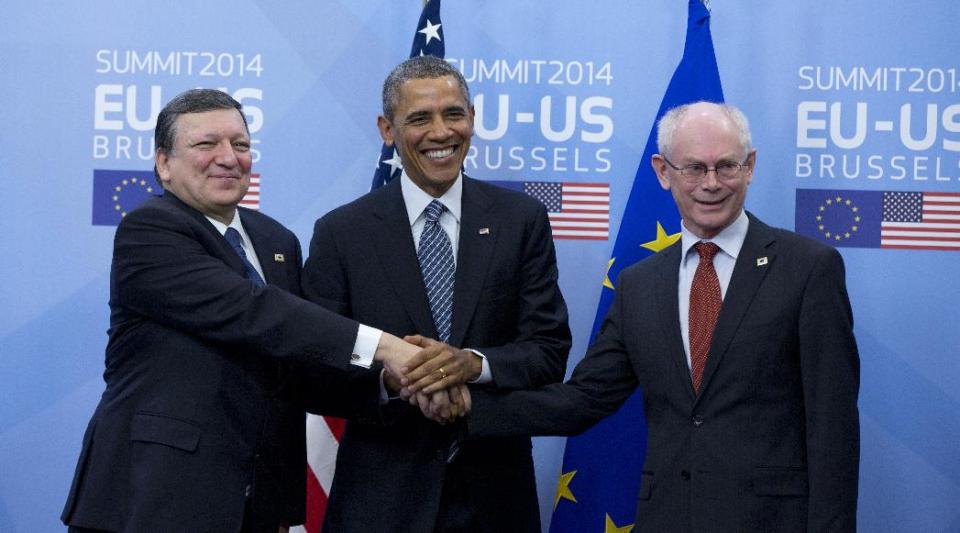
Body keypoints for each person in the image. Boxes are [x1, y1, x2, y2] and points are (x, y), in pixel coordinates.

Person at [446, 101, 861, 532]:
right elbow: (583, 399)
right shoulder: (639, 285)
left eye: (727, 166)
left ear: (751, 166)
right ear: (663, 172)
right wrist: (468, 406)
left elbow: (833, 427)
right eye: (694, 169)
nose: (712, 184)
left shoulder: (808, 269)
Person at [60, 89, 448, 533]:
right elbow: (254, 311)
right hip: (153, 501)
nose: (228, 158)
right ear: (163, 164)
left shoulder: (276, 242)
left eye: (240, 145)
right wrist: (386, 348)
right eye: (206, 144)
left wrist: (391, 382)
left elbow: (299, 361)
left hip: (256, 506)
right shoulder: (149, 230)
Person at [302, 55, 571, 532]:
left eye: (453, 114)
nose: (441, 132)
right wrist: (396, 379)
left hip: (496, 498)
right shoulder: (342, 233)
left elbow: (548, 351)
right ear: (387, 129)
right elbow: (316, 372)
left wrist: (473, 363)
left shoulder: (520, 220)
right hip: (381, 502)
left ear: (472, 118)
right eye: (419, 118)